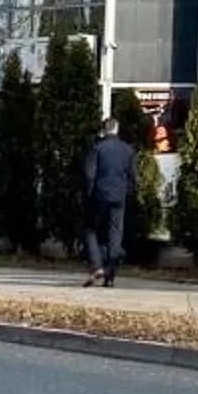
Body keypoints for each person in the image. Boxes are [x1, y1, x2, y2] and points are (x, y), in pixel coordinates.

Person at [76, 117, 136, 287]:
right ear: (117, 129)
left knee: (90, 229)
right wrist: (127, 193)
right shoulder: (127, 150)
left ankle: (96, 266)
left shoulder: (97, 148)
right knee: (115, 234)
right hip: (119, 197)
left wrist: (88, 193)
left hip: (99, 196)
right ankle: (110, 274)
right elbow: (132, 176)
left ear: (103, 130)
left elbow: (89, 174)